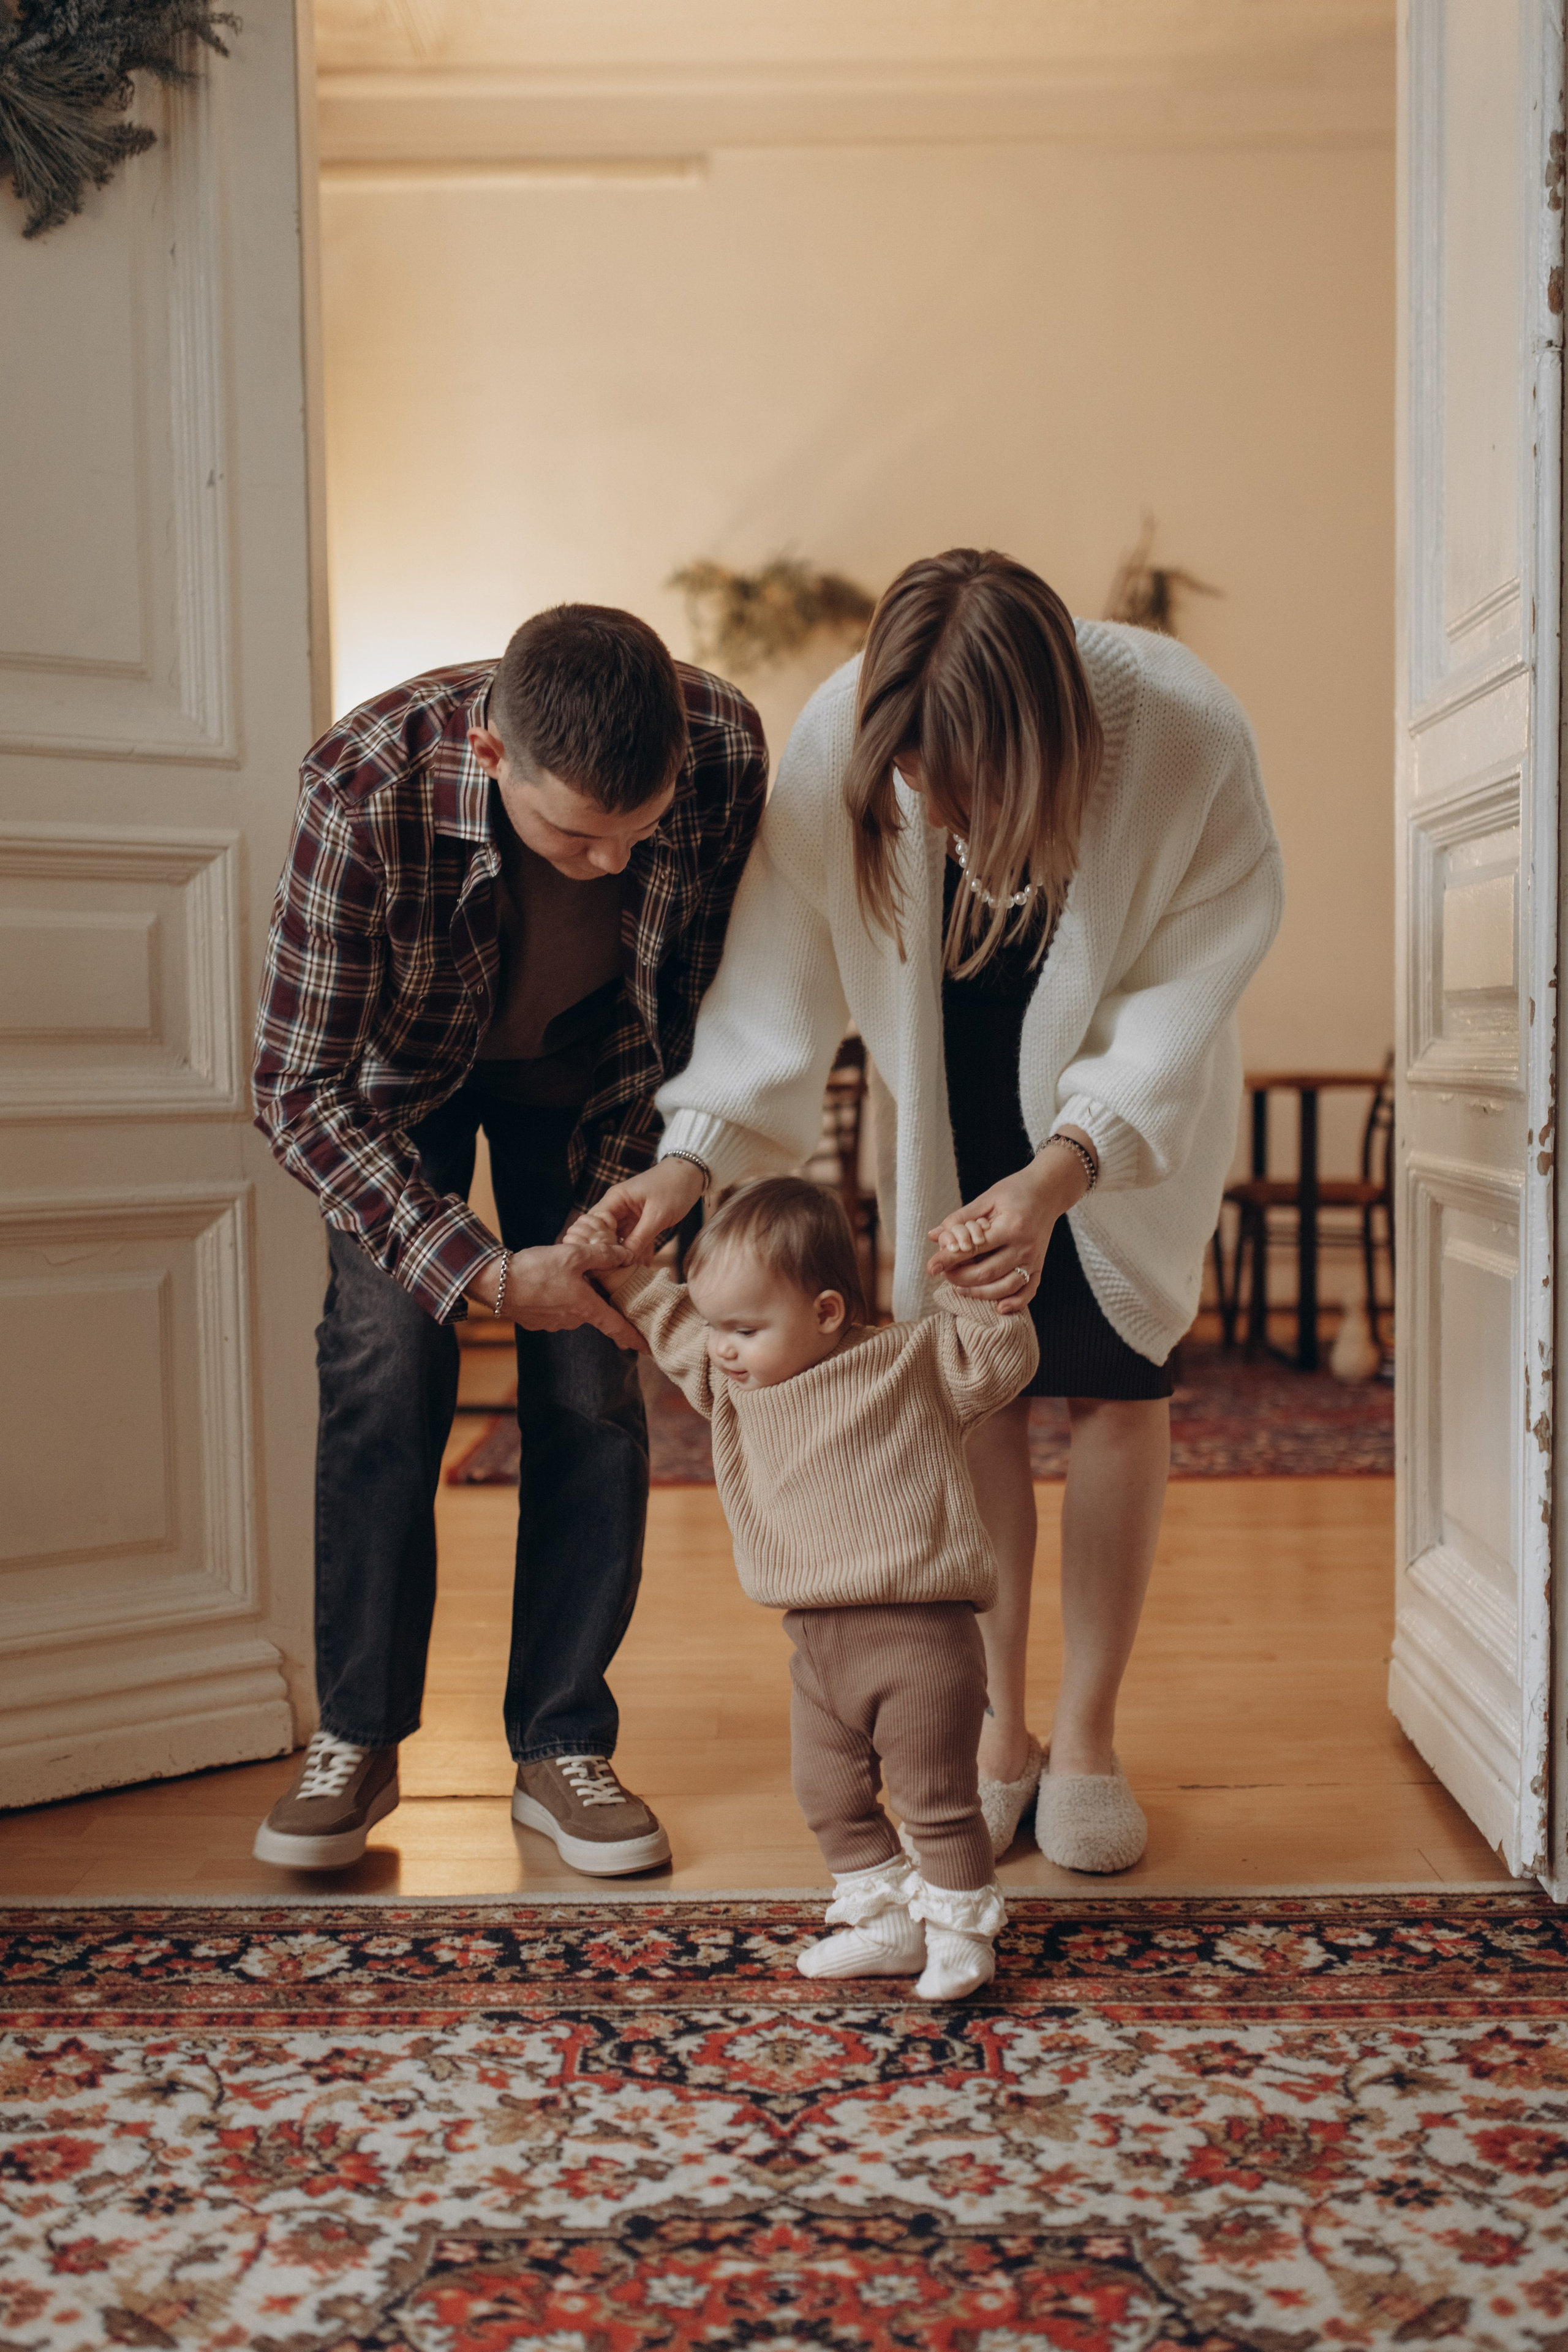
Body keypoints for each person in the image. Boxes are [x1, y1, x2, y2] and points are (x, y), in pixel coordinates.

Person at [586, 549, 1284, 1874]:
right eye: (913, 787)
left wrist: (1066, 1163)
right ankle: (997, 1733)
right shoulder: (843, 738)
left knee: (1117, 1387)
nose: (938, 815)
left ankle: (1085, 1737)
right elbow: (778, 972)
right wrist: (692, 1157)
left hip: (1117, 1120)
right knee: (974, 1402)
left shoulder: (1188, 733)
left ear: (1040, 745)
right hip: (953, 1091)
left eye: (960, 791)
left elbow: (1192, 976)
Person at [250, 605, 767, 1874]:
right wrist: (477, 1270)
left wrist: (633, 1197)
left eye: (631, 836)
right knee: (385, 1362)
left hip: (599, 1085)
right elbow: (295, 1087)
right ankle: (358, 1740)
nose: (603, 864)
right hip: (394, 1092)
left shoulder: (723, 751)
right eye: (572, 833)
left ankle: (560, 1742)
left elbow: (710, 995)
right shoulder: (361, 786)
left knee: (591, 1380)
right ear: (489, 755)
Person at [571, 1175, 1036, 1999]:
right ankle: (887, 1923)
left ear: (825, 1313)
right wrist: (621, 1272)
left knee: (936, 1800)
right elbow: (671, 1322)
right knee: (826, 1794)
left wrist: (976, 1282)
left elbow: (1000, 1356)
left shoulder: (910, 1362)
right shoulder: (732, 1390)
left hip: (920, 1638)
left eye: (746, 1328)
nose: (722, 1346)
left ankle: (962, 1932)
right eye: (719, 1326)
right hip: (815, 1646)